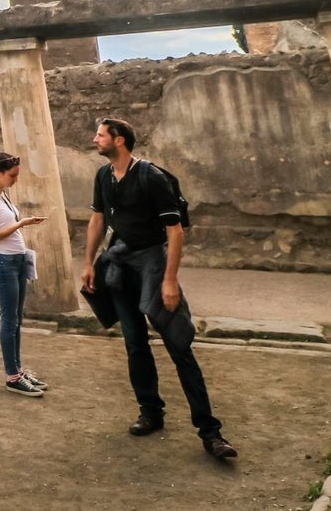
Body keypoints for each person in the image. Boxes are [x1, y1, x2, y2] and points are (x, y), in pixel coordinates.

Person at [82, 117, 237, 461]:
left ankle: (210, 432)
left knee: (178, 345)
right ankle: (150, 412)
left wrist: (169, 279)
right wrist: (89, 262)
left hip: (153, 263)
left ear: (119, 140)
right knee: (135, 344)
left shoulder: (151, 177)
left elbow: (175, 231)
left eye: (101, 135)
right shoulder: (103, 176)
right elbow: (98, 220)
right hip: (120, 264)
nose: (95, 139)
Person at [0, 151, 48, 397]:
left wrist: (22, 222)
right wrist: (21, 223)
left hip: (17, 261)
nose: (16, 179)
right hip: (4, 263)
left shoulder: (2, 194)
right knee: (9, 320)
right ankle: (12, 377)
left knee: (17, 319)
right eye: (12, 175)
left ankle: (18, 370)